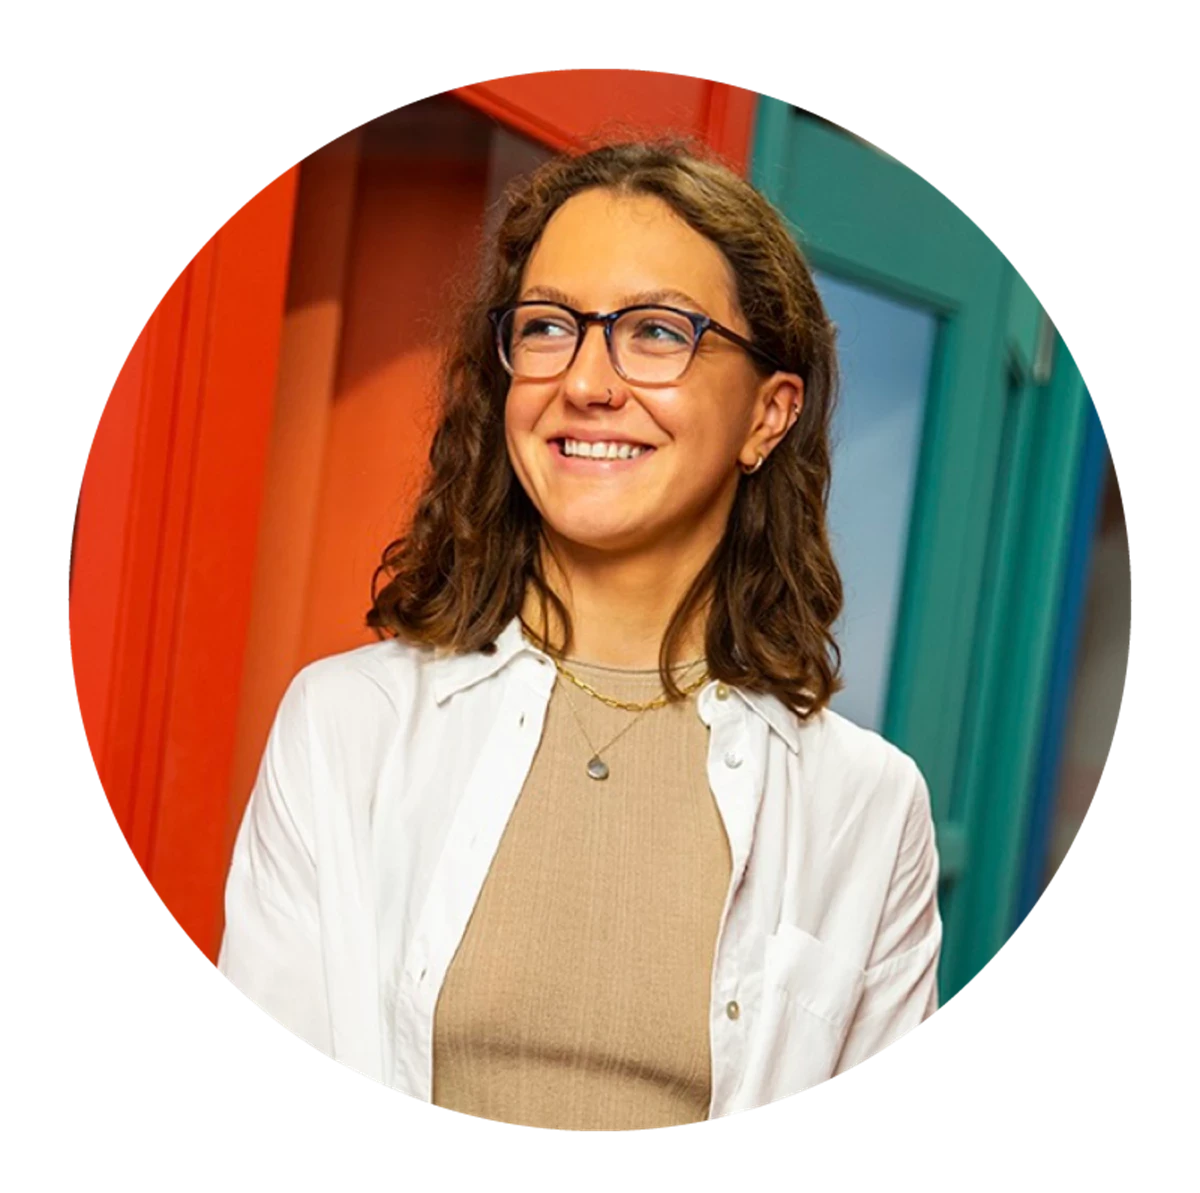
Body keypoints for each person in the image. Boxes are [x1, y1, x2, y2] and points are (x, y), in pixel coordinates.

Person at [217, 138, 943, 1132]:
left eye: (655, 332)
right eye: (551, 326)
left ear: (768, 414)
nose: (589, 383)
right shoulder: (344, 726)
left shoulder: (867, 807)